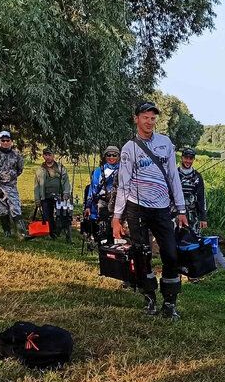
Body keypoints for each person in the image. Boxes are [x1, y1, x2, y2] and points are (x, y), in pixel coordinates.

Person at [111, 100, 188, 318]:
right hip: (137, 208)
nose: (149, 122)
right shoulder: (129, 148)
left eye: (153, 118)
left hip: (163, 208)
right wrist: (117, 217)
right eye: (145, 117)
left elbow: (174, 177)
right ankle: (149, 299)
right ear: (136, 119)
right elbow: (123, 184)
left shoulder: (165, 143)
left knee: (171, 254)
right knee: (141, 254)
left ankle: (170, 303)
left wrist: (181, 210)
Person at [0, 130, 25, 238]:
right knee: (2, 209)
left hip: (11, 186)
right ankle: (7, 232)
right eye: (3, 140)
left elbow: (20, 169)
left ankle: (22, 233)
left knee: (15, 207)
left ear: (11, 141)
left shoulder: (16, 155)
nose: (5, 142)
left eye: (7, 140)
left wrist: (11, 177)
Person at [84, 145, 122, 242]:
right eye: (109, 155)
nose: (111, 157)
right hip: (103, 201)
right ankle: (104, 247)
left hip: (119, 202)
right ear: (105, 156)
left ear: (119, 156)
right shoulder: (98, 172)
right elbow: (93, 189)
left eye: (114, 155)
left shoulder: (124, 170)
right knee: (103, 226)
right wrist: (88, 206)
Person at [34, 148, 72, 239]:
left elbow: (66, 181)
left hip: (59, 196)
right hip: (45, 197)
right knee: (47, 217)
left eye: (50, 155)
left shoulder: (60, 168)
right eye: (46, 155)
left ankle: (64, 233)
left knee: (63, 215)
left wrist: (66, 193)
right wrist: (37, 199)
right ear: (43, 156)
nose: (48, 157)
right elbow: (36, 185)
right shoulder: (40, 169)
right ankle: (52, 234)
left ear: (53, 155)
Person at [177, 147, 208, 235]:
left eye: (191, 159)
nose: (188, 161)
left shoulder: (198, 176)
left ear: (193, 160)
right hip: (176, 213)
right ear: (182, 158)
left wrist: (203, 218)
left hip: (193, 214)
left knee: (194, 239)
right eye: (186, 158)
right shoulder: (174, 174)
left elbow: (202, 198)